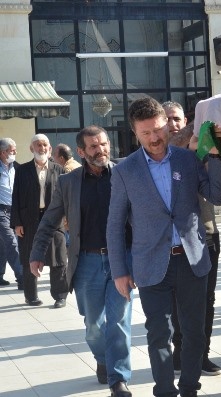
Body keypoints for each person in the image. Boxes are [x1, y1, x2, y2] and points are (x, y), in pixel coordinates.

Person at [107, 97, 221, 397]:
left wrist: (217, 156)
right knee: (159, 334)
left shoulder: (187, 159)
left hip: (192, 260)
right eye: (146, 133)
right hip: (150, 265)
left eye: (159, 130)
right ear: (135, 133)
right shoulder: (125, 171)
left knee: (195, 334)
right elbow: (115, 224)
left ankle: (189, 388)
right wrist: (119, 271)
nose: (155, 138)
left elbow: (216, 195)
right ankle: (164, 391)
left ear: (167, 126)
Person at [30, 126, 133, 397]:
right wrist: (37, 253)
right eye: (93, 147)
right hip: (86, 262)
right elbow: (50, 220)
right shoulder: (69, 182)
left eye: (104, 144)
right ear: (81, 151)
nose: (101, 150)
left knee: (119, 321)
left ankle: (118, 379)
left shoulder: (124, 173)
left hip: (120, 260)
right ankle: (103, 358)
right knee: (93, 327)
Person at [164, 103, 221, 377]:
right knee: (176, 301)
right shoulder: (158, 156)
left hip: (206, 234)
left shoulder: (202, 145)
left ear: (185, 121)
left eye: (177, 119)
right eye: (167, 119)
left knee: (206, 300)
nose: (172, 123)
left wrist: (218, 151)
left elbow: (220, 185)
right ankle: (181, 351)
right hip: (172, 240)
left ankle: (200, 354)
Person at [11, 134, 68, 308]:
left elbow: (66, 197)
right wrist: (17, 223)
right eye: (38, 145)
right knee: (29, 257)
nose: (41, 148)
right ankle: (31, 296)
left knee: (58, 257)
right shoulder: (22, 170)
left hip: (54, 220)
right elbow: (16, 197)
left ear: (49, 148)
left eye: (44, 145)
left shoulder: (59, 170)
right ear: (31, 148)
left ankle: (60, 295)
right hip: (29, 221)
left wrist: (68, 218)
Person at [0, 138, 23, 288]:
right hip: (1, 211)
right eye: (12, 150)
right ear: (3, 152)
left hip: (15, 210)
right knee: (11, 242)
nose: (15, 153)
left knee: (3, 245)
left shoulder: (19, 168)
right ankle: (23, 278)